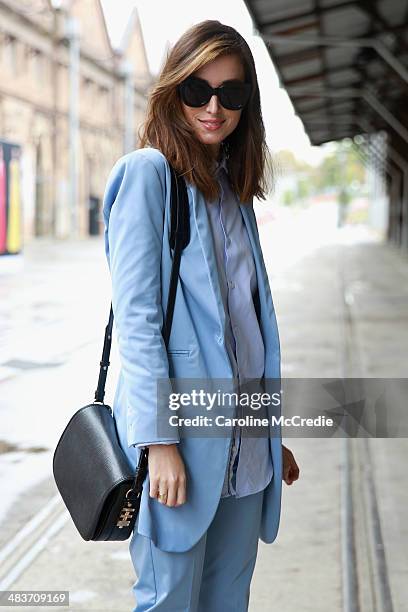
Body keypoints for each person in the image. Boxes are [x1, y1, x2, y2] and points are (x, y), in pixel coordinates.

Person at [102, 19, 299, 612]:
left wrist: (270, 432)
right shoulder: (149, 176)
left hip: (245, 446)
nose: (214, 108)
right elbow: (137, 321)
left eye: (231, 94)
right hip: (181, 446)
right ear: (174, 91)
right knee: (168, 601)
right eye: (198, 91)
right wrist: (158, 442)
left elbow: (246, 327)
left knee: (227, 601)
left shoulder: (233, 190)